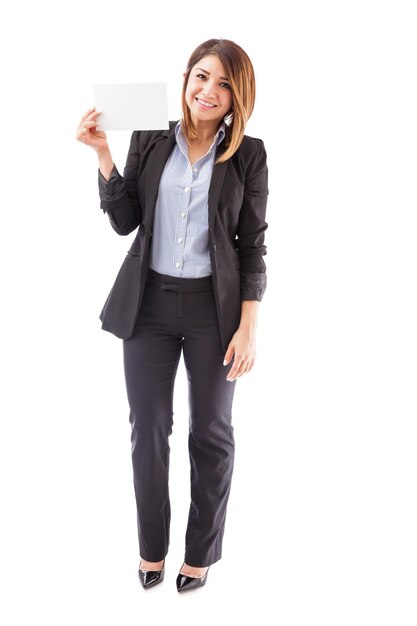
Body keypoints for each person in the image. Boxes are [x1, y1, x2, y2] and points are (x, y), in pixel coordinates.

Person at [76, 38, 269, 593]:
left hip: (215, 312)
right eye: (202, 77)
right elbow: (125, 220)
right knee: (149, 431)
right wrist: (103, 155)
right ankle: (151, 549)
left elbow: (252, 243)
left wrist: (249, 324)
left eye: (225, 84)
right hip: (149, 306)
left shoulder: (249, 155)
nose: (209, 91)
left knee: (211, 431)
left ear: (238, 98)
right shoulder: (151, 137)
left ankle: (201, 553)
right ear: (186, 79)